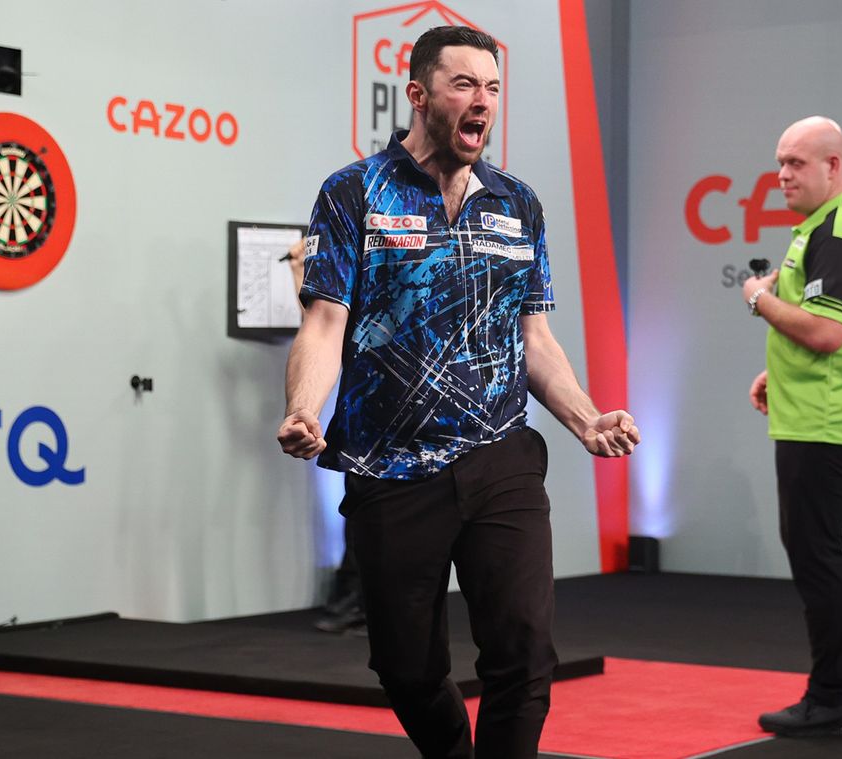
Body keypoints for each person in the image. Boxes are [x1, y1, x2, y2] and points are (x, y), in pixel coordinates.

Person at [277, 25, 640, 759]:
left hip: (499, 456)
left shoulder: (518, 203)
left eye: (493, 88)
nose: (483, 101)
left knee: (525, 655)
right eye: (464, 84)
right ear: (419, 94)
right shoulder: (354, 193)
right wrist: (304, 409)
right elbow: (324, 322)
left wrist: (584, 418)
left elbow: (535, 337)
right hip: (391, 468)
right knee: (406, 667)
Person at [741, 116, 842, 737]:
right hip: (830, 414)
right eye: (780, 162)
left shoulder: (838, 232)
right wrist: (777, 372)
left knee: (816, 556)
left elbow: (829, 333)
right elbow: (833, 329)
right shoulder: (827, 229)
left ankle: (833, 697)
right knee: (825, 551)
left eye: (796, 163)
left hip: (825, 422)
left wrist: (758, 298)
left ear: (834, 167)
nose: (782, 174)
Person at [285, 237, 366, 637]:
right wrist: (300, 271)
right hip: (366, 424)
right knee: (362, 514)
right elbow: (321, 321)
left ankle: (356, 605)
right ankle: (353, 604)